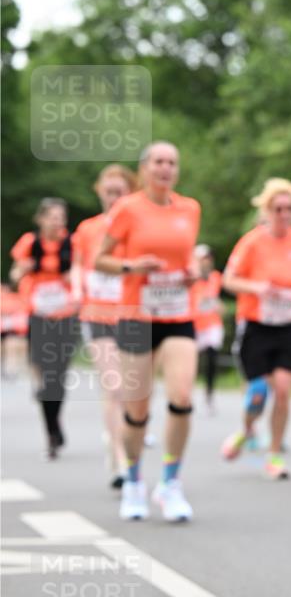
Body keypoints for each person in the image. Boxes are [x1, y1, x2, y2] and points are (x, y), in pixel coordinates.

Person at [95, 142, 200, 522]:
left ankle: (170, 482)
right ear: (144, 169)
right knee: (137, 408)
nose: (165, 168)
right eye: (158, 161)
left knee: (182, 395)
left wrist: (191, 273)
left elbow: (187, 258)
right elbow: (100, 260)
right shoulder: (128, 208)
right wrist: (134, 266)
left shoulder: (190, 208)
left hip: (177, 313)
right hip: (137, 317)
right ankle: (135, 479)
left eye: (172, 162)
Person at [221, 179, 291, 480]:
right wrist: (256, 287)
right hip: (257, 325)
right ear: (267, 210)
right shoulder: (252, 242)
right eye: (278, 209)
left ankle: (274, 454)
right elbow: (228, 280)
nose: (284, 214)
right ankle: (247, 429)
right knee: (258, 393)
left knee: (284, 390)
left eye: (289, 209)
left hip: (290, 325)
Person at [71, 164, 137, 489]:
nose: (113, 198)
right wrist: (74, 289)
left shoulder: (137, 228)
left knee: (132, 389)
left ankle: (125, 440)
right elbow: (78, 266)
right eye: (108, 192)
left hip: (132, 314)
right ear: (100, 192)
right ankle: (119, 457)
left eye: (120, 193)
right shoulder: (87, 229)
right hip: (97, 314)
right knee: (114, 386)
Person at [10, 198, 79, 458]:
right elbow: (15, 275)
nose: (57, 222)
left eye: (61, 217)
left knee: (58, 375)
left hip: (65, 314)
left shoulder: (72, 244)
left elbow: (80, 273)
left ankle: (55, 421)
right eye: (52, 217)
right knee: (45, 374)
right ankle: (51, 432)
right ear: (40, 219)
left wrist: (72, 278)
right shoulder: (30, 243)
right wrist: (23, 270)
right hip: (39, 314)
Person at [192, 244, 225, 413]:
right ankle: (186, 393)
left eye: (208, 259)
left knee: (212, 358)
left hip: (212, 323)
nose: (206, 262)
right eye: (202, 259)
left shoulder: (216, 277)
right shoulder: (190, 277)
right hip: (194, 323)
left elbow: (215, 298)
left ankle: (209, 395)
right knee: (190, 362)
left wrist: (218, 304)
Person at [0, 283, 28, 379]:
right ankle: (6, 368)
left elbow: (22, 311)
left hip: (12, 327)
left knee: (11, 346)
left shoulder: (15, 298)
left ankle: (10, 369)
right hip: (5, 327)